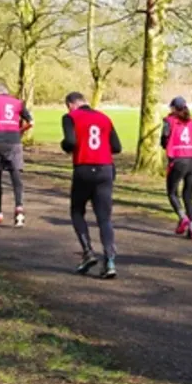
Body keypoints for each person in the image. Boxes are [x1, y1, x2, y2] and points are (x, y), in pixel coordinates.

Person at [61, 91, 122, 279]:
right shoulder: (104, 117)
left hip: (84, 167)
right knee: (104, 218)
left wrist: (65, 145)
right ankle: (110, 260)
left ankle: (88, 252)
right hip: (105, 169)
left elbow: (71, 142)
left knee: (77, 211)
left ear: (71, 104)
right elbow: (117, 147)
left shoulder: (70, 117)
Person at [0, 82, 33, 227]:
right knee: (16, 176)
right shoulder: (18, 102)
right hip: (14, 141)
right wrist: (20, 131)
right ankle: (19, 207)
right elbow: (31, 121)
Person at [161, 96, 192, 239]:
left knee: (172, 192)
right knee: (188, 196)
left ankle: (183, 218)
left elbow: (164, 140)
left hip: (178, 160)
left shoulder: (169, 121)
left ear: (173, 108)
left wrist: (168, 145)